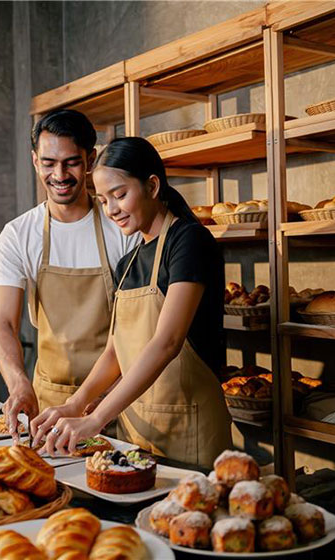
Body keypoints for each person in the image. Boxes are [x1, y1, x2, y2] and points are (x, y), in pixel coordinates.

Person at [30, 136, 232, 467]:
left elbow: (167, 342)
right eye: (103, 199)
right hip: (137, 433)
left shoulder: (188, 242)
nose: (111, 210)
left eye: (120, 195)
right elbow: (115, 350)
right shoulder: (130, 261)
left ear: (152, 186)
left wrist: (96, 420)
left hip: (190, 431)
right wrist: (77, 404)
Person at [0, 110, 139, 438]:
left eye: (71, 162)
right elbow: (3, 323)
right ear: (34, 160)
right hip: (50, 405)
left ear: (91, 159)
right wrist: (19, 384)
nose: (59, 175)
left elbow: (140, 325)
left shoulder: (123, 227)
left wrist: (101, 398)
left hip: (121, 396)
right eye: (48, 163)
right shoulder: (18, 234)